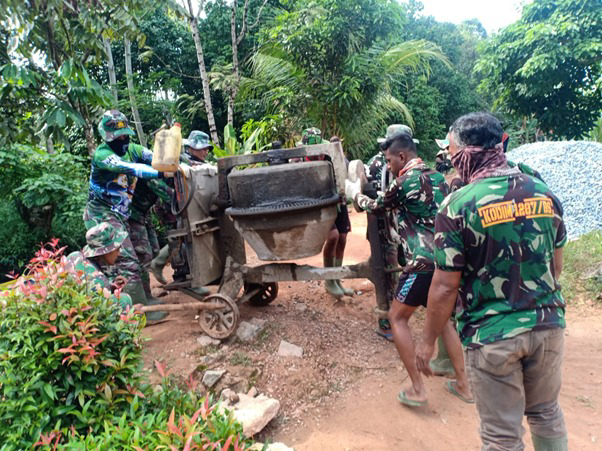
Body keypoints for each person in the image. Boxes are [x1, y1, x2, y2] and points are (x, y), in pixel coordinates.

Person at [416, 112, 568, 450]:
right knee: (546, 413)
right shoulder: (543, 193)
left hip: (492, 336)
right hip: (548, 327)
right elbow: (555, 266)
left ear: (466, 153)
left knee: (501, 435)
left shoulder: (458, 205)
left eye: (453, 152)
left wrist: (427, 341)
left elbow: (444, 285)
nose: (452, 161)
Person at [346, 132, 473, 407]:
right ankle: (464, 386)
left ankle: (418, 388)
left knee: (397, 317)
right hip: (445, 262)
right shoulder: (440, 178)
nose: (389, 165)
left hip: (421, 263)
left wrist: (355, 194)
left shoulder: (403, 182)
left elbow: (376, 206)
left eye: (390, 160)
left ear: (402, 157)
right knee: (444, 322)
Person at [84, 110, 173, 307]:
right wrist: (162, 173)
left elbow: (155, 158)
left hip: (125, 214)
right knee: (126, 260)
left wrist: (178, 163)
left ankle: (146, 298)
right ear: (107, 137)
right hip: (102, 214)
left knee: (145, 254)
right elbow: (131, 168)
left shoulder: (134, 149)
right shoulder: (103, 155)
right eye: (118, 136)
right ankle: (137, 309)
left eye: (125, 134)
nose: (123, 138)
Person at [365, 124, 417, 340]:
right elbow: (375, 201)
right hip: (383, 227)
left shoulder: (392, 163)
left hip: (398, 226)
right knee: (387, 272)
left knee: (398, 270)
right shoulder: (379, 165)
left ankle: (397, 314)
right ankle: (386, 322)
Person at [150, 129, 214, 296]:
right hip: (170, 205)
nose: (205, 151)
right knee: (181, 238)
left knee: (180, 238)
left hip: (180, 204)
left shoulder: (192, 160)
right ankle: (182, 276)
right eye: (202, 148)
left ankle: (161, 264)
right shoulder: (182, 159)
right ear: (190, 148)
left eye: (207, 148)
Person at [65, 222, 133, 309]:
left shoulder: (74, 256)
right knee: (124, 299)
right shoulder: (99, 280)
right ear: (106, 251)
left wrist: (110, 285)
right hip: (81, 314)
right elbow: (98, 310)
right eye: (117, 249)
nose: (119, 253)